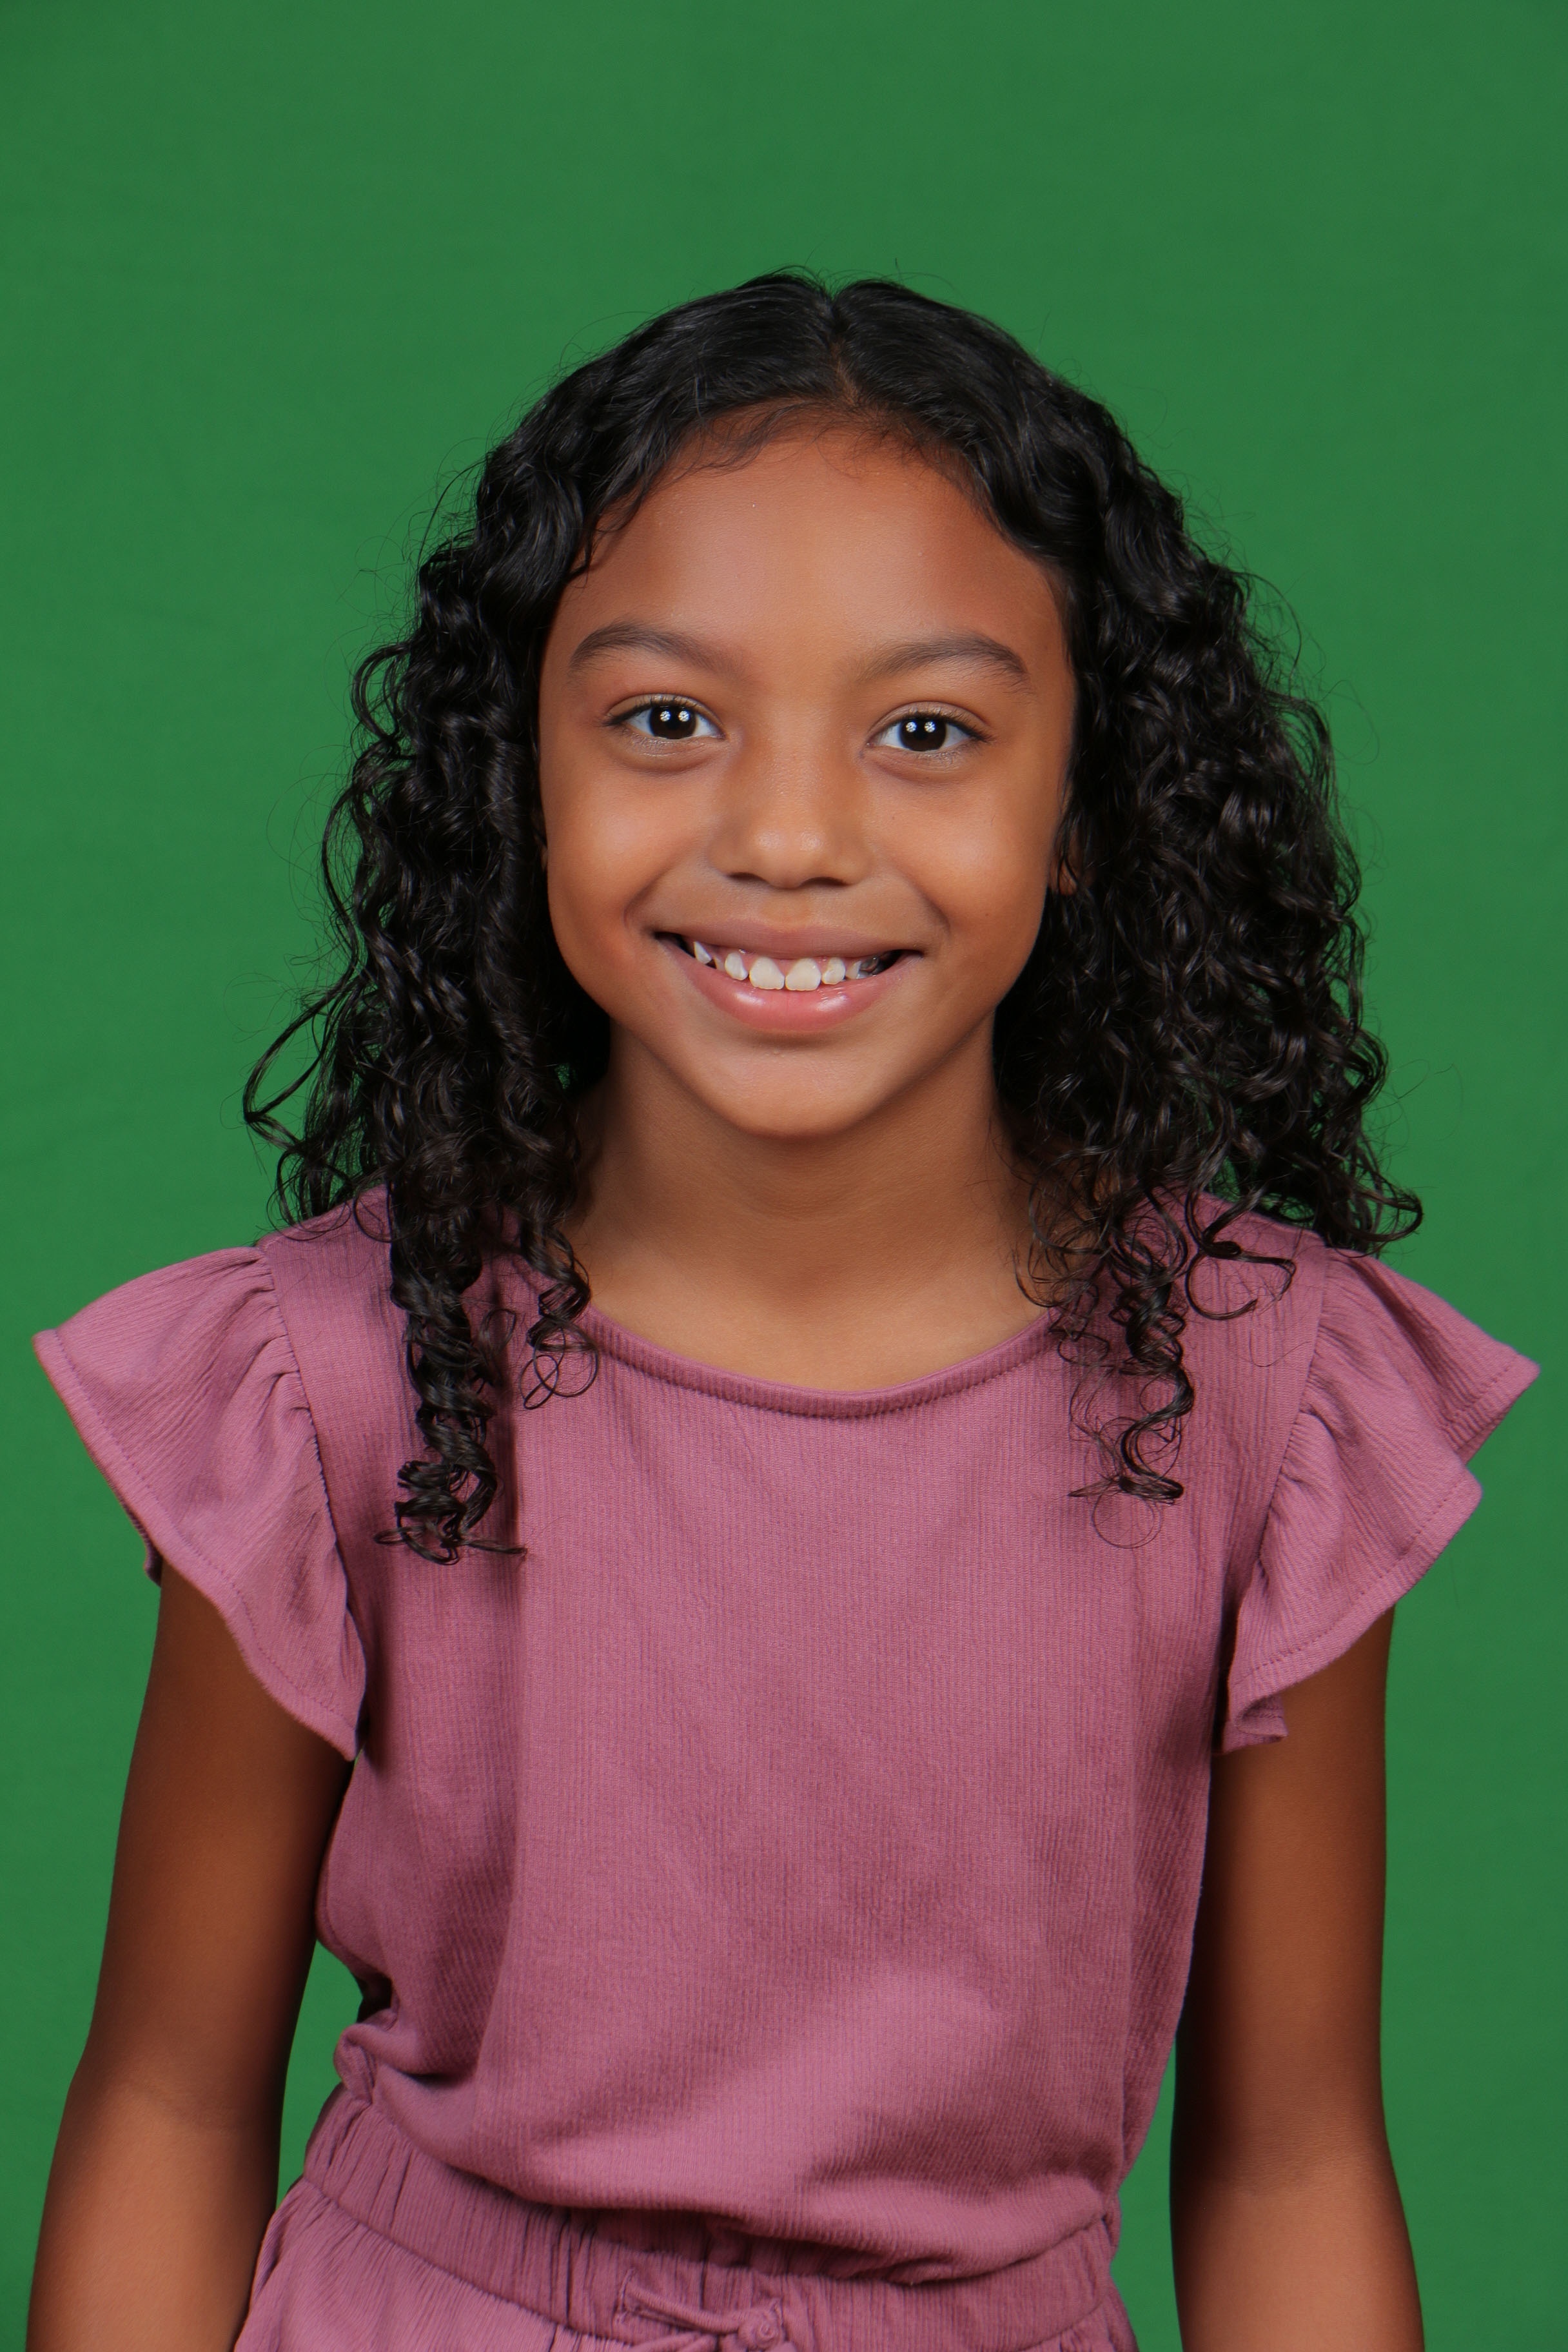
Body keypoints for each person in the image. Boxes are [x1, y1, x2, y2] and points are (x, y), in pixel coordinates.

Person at [26, 273, 1536, 2352]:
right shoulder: (339, 1378)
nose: (793, 838)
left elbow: (1288, 2161)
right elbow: (172, 2102)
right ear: (521, 775)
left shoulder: (1264, 1395)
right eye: (668, 719)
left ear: (1089, 807)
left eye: (928, 732)